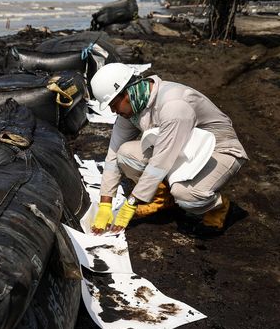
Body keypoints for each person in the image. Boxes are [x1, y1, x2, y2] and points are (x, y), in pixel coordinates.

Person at [89, 63, 248, 237]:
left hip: (218, 151)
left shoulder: (174, 105)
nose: (113, 111)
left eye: (113, 104)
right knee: (124, 153)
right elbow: (113, 154)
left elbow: (161, 161)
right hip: (182, 149)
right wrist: (106, 202)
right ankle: (162, 200)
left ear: (127, 93)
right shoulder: (133, 108)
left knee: (187, 195)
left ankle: (218, 207)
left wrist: (132, 202)